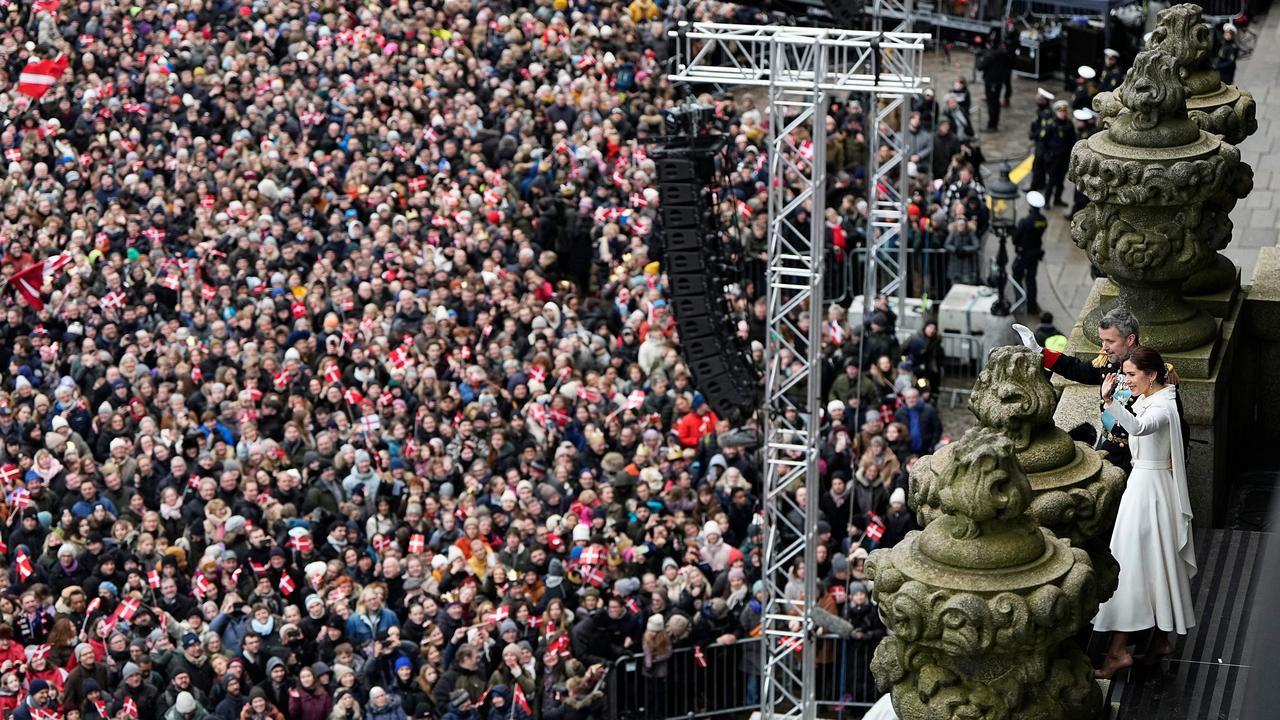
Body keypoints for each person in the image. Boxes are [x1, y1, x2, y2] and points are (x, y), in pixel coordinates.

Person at [1092, 347, 1196, 679]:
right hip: (1148, 487)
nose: (1126, 380)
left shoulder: (1164, 406)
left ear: (1150, 375)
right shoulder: (1158, 396)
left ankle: (1118, 652)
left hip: (1148, 492)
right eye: (1125, 374)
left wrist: (1110, 402)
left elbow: (1137, 428)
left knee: (1131, 563)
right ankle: (1160, 641)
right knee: (1156, 563)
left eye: (1132, 375)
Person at [1013, 308, 1142, 472]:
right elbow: (1077, 369)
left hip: (1136, 454)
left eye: (1110, 341)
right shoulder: (1109, 364)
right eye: (1102, 341)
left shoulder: (1152, 372)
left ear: (1130, 339)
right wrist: (1040, 352)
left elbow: (1169, 417)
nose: (1104, 347)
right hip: (1109, 446)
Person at [1012, 191, 1048, 315]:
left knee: (1016, 275)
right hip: (1035, 253)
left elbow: (1015, 238)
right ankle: (1031, 306)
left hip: (1024, 254)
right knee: (1031, 279)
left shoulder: (1025, 221)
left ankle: (1019, 301)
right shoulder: (1043, 221)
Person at [1044, 101, 1077, 207]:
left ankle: (1057, 199)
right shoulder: (1051, 124)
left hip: (1064, 158)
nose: (1063, 113)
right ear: (1056, 112)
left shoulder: (1069, 124)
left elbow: (1073, 140)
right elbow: (1044, 140)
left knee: (1060, 181)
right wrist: (1047, 156)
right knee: (1051, 181)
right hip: (1053, 158)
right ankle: (1047, 201)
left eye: (1064, 111)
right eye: (1060, 111)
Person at [977, 38, 1013, 132]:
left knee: (992, 104)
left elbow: (980, 66)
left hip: (991, 82)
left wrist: (979, 57)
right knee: (995, 103)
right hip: (999, 82)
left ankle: (992, 125)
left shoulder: (991, 55)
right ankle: (994, 124)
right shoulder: (1004, 54)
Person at [1029, 89, 1056, 192]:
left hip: (1043, 144)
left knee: (1037, 165)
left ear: (1044, 101)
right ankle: (1041, 183)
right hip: (1040, 143)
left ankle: (1034, 186)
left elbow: (1044, 131)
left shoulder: (1047, 113)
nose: (1037, 100)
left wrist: (1035, 135)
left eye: (1039, 99)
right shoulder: (1041, 110)